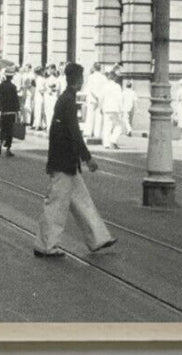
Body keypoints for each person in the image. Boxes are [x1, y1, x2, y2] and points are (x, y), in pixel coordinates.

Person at [34, 62, 117, 258]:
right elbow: (73, 132)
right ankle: (46, 245)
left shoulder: (64, 98)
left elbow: (58, 133)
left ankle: (98, 238)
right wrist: (87, 158)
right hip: (64, 163)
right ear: (78, 80)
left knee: (82, 201)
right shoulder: (68, 101)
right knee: (57, 204)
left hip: (66, 162)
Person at [0, 70, 21, 156]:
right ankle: (8, 150)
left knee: (2, 130)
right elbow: (16, 100)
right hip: (12, 112)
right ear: (11, 77)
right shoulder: (13, 87)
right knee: (10, 131)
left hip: (3, 112)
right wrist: (18, 111)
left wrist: (1, 98)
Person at [100, 71, 125, 149]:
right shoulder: (117, 86)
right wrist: (121, 109)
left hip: (106, 108)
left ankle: (106, 144)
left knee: (106, 126)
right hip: (115, 108)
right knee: (119, 125)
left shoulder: (104, 86)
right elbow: (120, 98)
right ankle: (113, 139)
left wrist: (101, 107)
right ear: (114, 77)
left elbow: (101, 97)